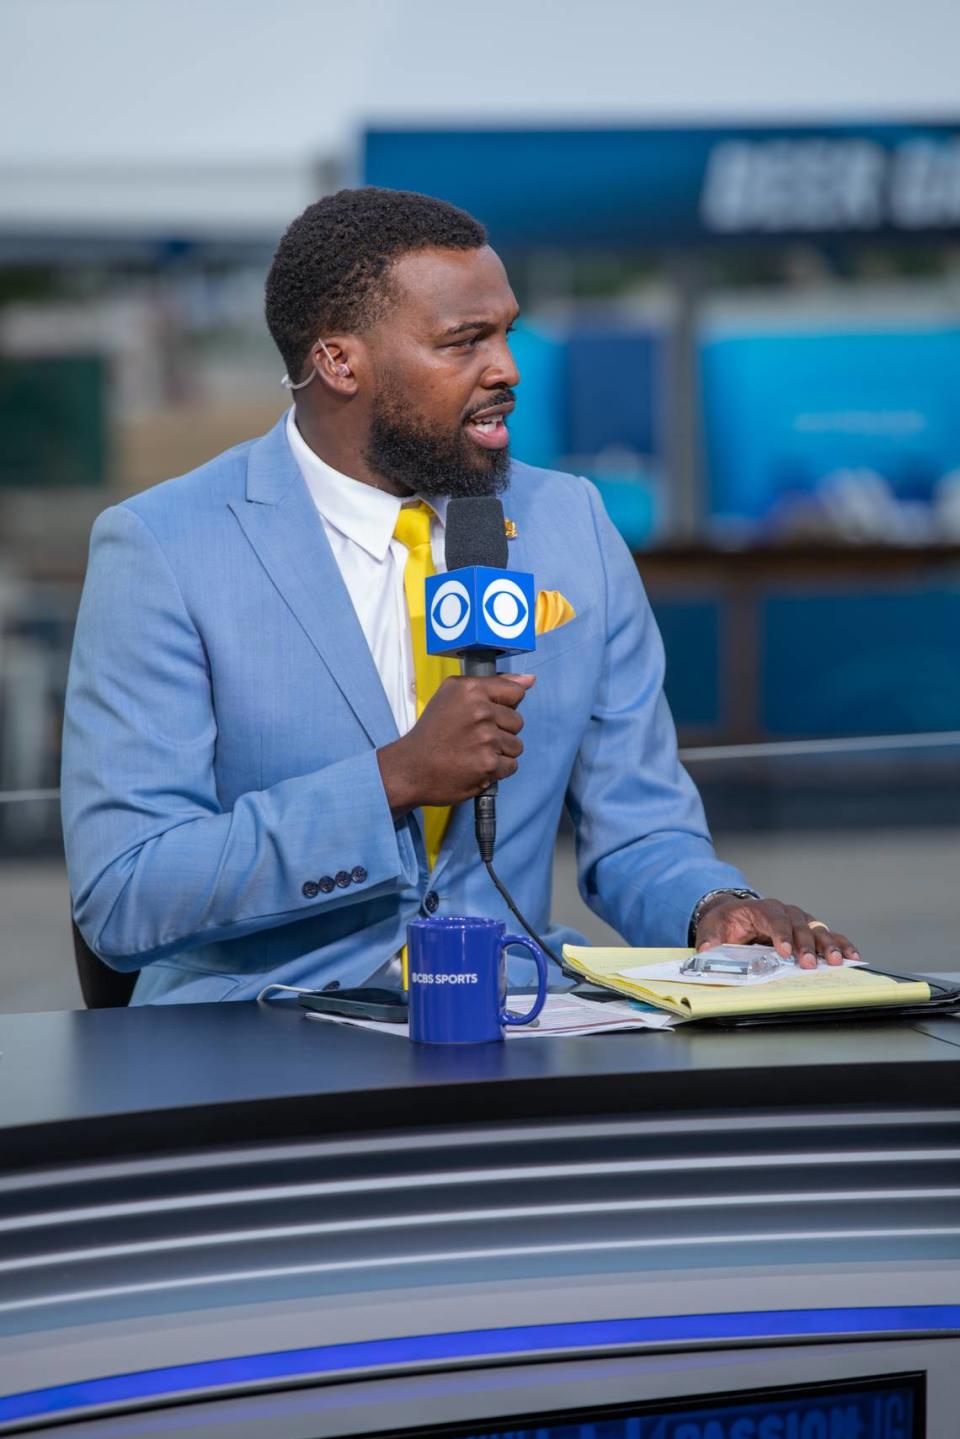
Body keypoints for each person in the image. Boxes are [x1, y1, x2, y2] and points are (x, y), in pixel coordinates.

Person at [61, 188, 857, 1004]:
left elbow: (641, 825)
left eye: (507, 330)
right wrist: (390, 779)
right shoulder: (163, 546)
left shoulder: (570, 522)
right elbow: (125, 891)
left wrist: (712, 906)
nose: (507, 366)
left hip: (518, 1027)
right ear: (340, 362)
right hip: (260, 1044)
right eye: (464, 341)